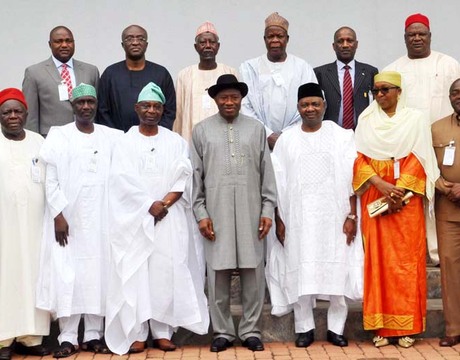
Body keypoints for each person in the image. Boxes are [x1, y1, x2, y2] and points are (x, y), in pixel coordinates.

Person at [105, 82, 209, 355]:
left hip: (169, 218)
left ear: (163, 110)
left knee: (165, 272)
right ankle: (137, 332)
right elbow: (120, 179)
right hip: (135, 220)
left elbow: (183, 176)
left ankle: (162, 331)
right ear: (136, 108)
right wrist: (147, 205)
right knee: (138, 272)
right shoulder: (125, 141)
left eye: (156, 107)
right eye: (146, 106)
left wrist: (163, 204)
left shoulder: (175, 141)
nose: (151, 111)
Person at [268, 83, 362, 348]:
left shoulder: (341, 136)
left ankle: (336, 329)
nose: (310, 109)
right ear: (298, 108)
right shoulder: (286, 139)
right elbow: (278, 182)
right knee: (300, 269)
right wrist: (279, 219)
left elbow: (352, 178)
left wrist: (352, 216)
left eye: (315, 104)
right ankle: (304, 327)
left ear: (324, 106)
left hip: (335, 216)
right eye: (304, 105)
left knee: (337, 269)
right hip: (298, 218)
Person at [353, 71, 440, 348]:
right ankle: (380, 327)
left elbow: (420, 156)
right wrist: (381, 185)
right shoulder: (366, 120)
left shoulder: (414, 119)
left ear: (399, 91)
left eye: (386, 90)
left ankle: (407, 328)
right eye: (376, 91)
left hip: (407, 200)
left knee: (406, 263)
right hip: (375, 197)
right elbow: (358, 159)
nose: (380, 96)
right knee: (377, 262)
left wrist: (399, 190)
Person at [191, 74, 277, 352]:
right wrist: (201, 213)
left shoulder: (255, 129)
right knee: (218, 273)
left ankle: (251, 330)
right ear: (215, 99)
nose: (229, 102)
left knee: (254, 272)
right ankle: (223, 332)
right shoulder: (201, 130)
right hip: (216, 213)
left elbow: (267, 173)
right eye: (224, 97)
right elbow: (195, 177)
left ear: (241, 99)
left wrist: (267, 209)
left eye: (234, 97)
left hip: (252, 211)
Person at [36, 84, 121, 358]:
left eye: (90, 102)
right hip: (68, 221)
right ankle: (68, 337)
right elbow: (51, 180)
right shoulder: (59, 136)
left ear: (96, 105)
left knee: (99, 274)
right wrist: (59, 215)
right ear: (72, 106)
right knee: (68, 274)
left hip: (102, 219)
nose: (86, 107)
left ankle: (94, 335)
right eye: (80, 102)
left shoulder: (111, 137)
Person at [384, 13, 460, 265]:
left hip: (444, 141)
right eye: (411, 35)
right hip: (409, 145)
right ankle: (418, 250)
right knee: (415, 196)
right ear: (404, 38)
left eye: (421, 34)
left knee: (442, 194)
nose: (416, 38)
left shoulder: (449, 64)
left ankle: (440, 251)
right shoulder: (393, 70)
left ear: (430, 36)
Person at [0, 89, 50, 360]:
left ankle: (31, 338)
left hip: (34, 223)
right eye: (6, 112)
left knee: (34, 274)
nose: (13, 116)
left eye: (17, 111)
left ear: (27, 114)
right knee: (5, 277)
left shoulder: (38, 141)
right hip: (4, 225)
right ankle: (4, 339)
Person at [239, 12, 317, 149]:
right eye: (270, 36)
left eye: (279, 36)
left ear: (287, 39)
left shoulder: (302, 67)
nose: (275, 40)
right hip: (258, 140)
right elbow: (245, 106)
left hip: (295, 139)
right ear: (264, 39)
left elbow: (311, 103)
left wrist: (285, 135)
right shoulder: (249, 68)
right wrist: (267, 135)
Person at [22, 26, 99, 136]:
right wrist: (34, 142)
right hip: (50, 140)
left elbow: (96, 108)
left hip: (86, 137)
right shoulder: (34, 73)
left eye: (68, 41)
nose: (64, 45)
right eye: (58, 41)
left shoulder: (91, 70)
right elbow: (30, 116)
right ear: (50, 44)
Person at [97, 24, 176, 132]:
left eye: (140, 38)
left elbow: (170, 110)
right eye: (129, 39)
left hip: (154, 140)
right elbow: (102, 111)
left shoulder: (161, 73)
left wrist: (157, 134)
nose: (135, 42)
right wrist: (114, 137)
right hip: (117, 141)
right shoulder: (110, 74)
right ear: (122, 44)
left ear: (146, 44)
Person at [173, 21, 238, 142]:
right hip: (190, 140)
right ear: (196, 47)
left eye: (212, 42)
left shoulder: (229, 72)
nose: (208, 45)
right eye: (203, 42)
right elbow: (179, 114)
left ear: (218, 46)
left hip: (224, 141)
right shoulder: (184, 75)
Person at [431, 78, 460, 347]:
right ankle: (453, 328)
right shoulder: (437, 128)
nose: (459, 96)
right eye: (455, 93)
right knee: (449, 267)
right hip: (448, 209)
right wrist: (444, 186)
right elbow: (428, 166)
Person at [314, 27, 378, 129]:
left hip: (362, 132)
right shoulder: (320, 73)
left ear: (356, 44)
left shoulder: (370, 72)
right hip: (330, 133)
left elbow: (378, 104)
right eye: (340, 41)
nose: (345, 45)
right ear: (334, 46)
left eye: (349, 41)